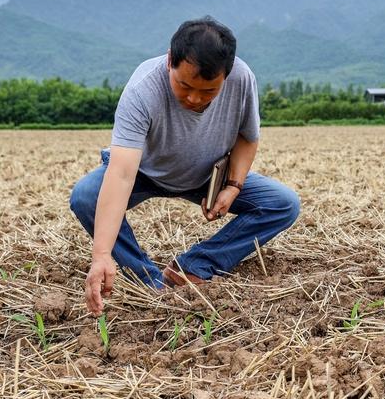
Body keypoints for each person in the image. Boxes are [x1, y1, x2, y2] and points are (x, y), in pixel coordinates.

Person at [69, 17, 300, 316]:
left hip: (205, 175)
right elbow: (122, 172)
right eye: (184, 85)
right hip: (144, 172)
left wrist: (233, 185)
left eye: (208, 92)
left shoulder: (242, 79)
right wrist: (101, 254)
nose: (194, 98)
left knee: (283, 204)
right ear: (169, 62)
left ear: (226, 76)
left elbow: (248, 136)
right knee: (86, 196)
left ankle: (194, 265)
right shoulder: (142, 90)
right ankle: (148, 278)